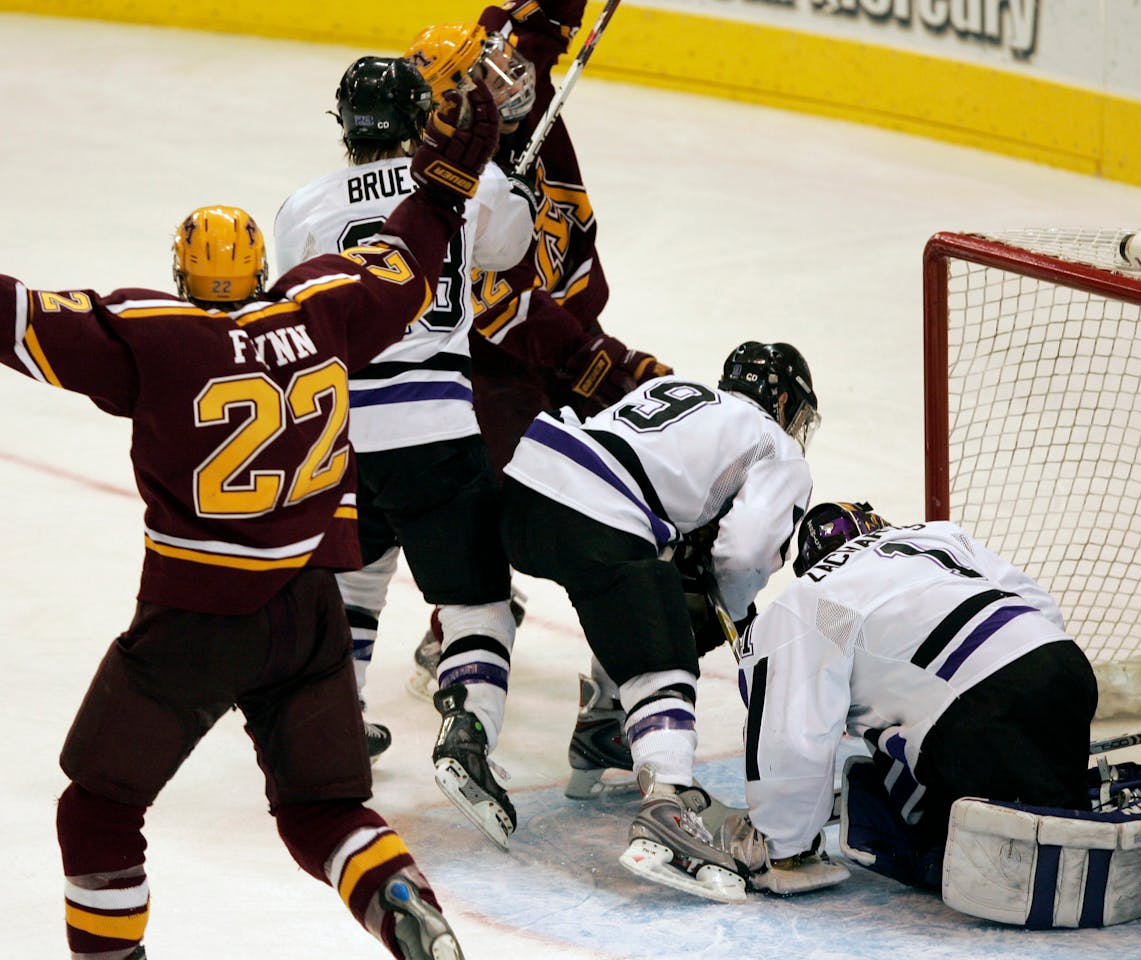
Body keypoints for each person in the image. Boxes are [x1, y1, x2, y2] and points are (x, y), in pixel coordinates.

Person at [0, 85, 501, 960]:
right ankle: (396, 897)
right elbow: (407, 263)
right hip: (310, 609)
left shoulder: (156, 335)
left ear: (184, 276)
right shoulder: (321, 310)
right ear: (261, 270)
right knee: (324, 810)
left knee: (100, 810)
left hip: (194, 622)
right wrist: (443, 187)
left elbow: (27, 325)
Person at [404, 1, 672, 797]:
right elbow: (513, 319)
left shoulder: (525, 97)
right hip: (493, 364)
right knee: (513, 497)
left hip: (552, 337)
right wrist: (602, 365)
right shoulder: (456, 184)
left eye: (515, 71)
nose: (511, 85)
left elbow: (541, 24)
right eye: (491, 80)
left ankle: (613, 687)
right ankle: (460, 621)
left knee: (654, 476)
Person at [271, 56, 532, 851]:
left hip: (346, 436)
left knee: (356, 581)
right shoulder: (458, 184)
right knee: (479, 599)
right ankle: (466, 733)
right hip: (438, 430)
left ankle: (333, 735)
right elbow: (513, 246)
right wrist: (503, 168)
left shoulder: (304, 208)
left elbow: (297, 312)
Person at [498, 342, 820, 897]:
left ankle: (606, 729)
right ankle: (666, 808)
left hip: (526, 483)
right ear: (785, 399)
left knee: (638, 574)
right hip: (593, 506)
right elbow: (743, 555)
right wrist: (733, 611)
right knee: (665, 630)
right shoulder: (777, 444)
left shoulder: (673, 393)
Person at [712, 501, 1099, 902]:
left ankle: (942, 840)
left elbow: (791, 732)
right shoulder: (936, 536)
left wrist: (783, 846)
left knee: (884, 736)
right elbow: (1041, 607)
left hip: (976, 715)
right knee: (1045, 782)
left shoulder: (814, 596)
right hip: (1065, 668)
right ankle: (1063, 806)